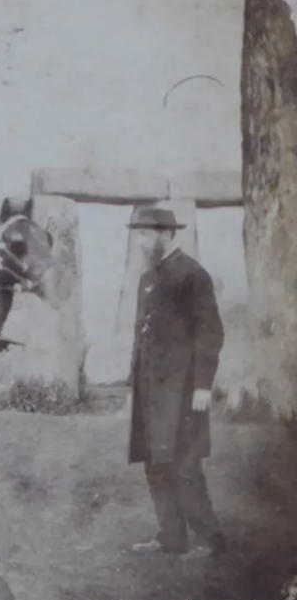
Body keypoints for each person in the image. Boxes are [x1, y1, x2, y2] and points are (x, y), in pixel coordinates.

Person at [126, 205, 227, 560]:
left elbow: (209, 333)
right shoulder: (148, 279)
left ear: (166, 234)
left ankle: (209, 539)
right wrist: (133, 384)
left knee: (184, 464)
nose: (140, 242)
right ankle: (171, 537)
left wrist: (202, 385)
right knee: (155, 463)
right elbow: (143, 336)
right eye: (137, 234)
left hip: (183, 389)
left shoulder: (193, 276)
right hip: (152, 391)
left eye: (145, 234)